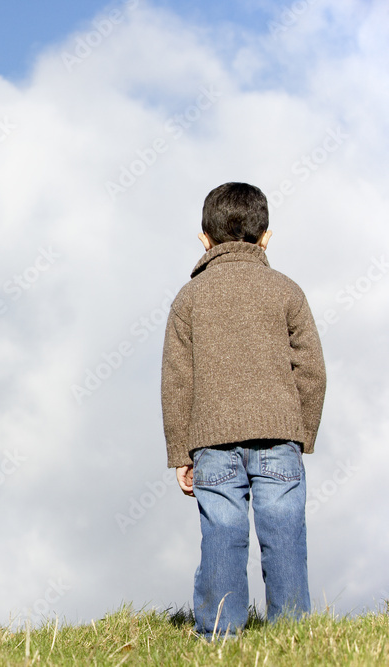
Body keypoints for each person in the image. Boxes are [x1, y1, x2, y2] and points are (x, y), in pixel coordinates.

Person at [160, 182, 326, 639]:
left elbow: (177, 381)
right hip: (279, 439)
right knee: (285, 535)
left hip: (212, 444)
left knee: (222, 536)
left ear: (205, 240)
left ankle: (219, 635)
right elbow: (312, 370)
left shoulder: (188, 298)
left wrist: (180, 452)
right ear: (266, 237)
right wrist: (301, 431)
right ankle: (293, 636)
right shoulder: (287, 291)